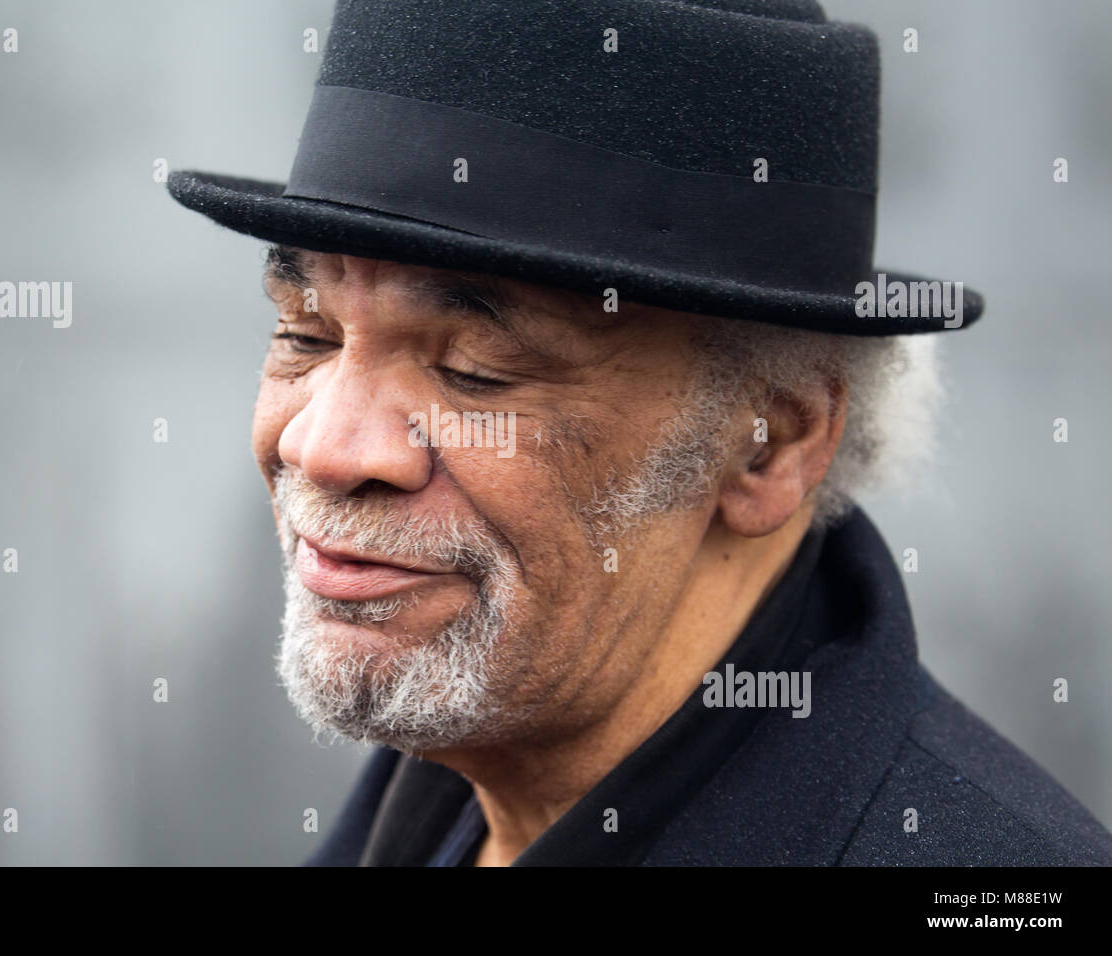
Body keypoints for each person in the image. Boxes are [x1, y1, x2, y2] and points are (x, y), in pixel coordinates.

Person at [167, 0, 1112, 865]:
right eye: (304, 334)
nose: (326, 448)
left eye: (474, 371)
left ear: (770, 442)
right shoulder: (428, 807)